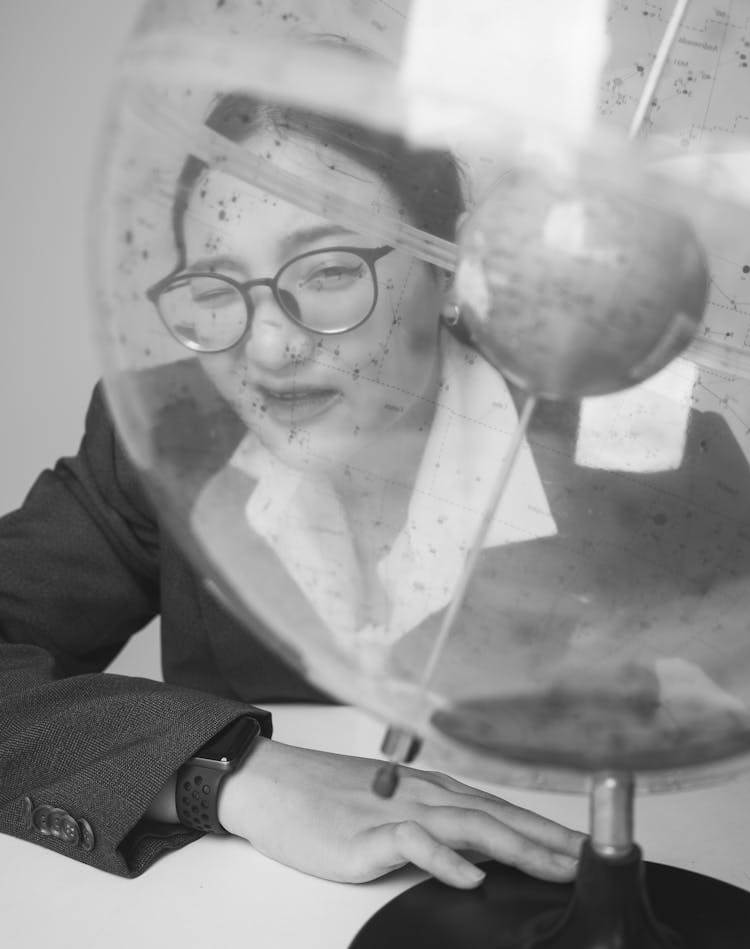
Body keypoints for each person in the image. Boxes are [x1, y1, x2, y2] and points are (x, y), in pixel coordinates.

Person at [0, 89, 587, 888]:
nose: (270, 345)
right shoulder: (161, 436)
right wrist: (228, 774)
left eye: (331, 269)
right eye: (214, 288)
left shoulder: (645, 466)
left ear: (452, 268)